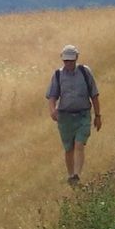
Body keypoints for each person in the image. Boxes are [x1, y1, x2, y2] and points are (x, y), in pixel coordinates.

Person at [45, 44, 101, 185]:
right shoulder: (58, 75)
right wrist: (52, 110)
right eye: (66, 61)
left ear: (76, 58)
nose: (68, 63)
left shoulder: (85, 72)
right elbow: (52, 96)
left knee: (79, 144)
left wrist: (98, 116)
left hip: (83, 114)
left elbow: (94, 95)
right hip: (65, 117)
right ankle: (71, 176)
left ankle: (76, 174)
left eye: (71, 60)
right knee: (68, 148)